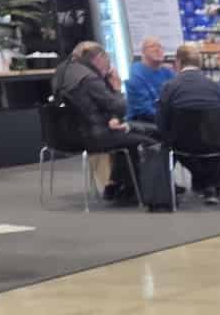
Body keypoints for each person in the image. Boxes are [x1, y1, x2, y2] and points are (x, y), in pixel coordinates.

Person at [55, 40, 156, 202]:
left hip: (69, 135)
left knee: (126, 137)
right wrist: (116, 88)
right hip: (94, 135)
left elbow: (92, 107)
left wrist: (112, 116)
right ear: (98, 58)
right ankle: (147, 190)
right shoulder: (89, 78)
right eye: (106, 60)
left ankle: (118, 185)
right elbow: (119, 106)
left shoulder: (62, 72)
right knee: (148, 139)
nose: (108, 65)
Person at [157, 43, 220, 201]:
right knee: (213, 151)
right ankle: (211, 185)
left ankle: (204, 184)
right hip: (218, 145)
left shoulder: (169, 87)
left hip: (183, 146)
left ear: (178, 63)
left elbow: (162, 122)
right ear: (200, 63)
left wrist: (168, 138)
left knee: (169, 145)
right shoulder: (216, 86)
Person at [127, 37, 176, 122]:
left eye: (160, 46)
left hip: (165, 119)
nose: (157, 49)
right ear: (143, 52)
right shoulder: (136, 74)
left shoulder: (167, 72)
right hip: (144, 122)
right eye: (152, 46)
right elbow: (145, 110)